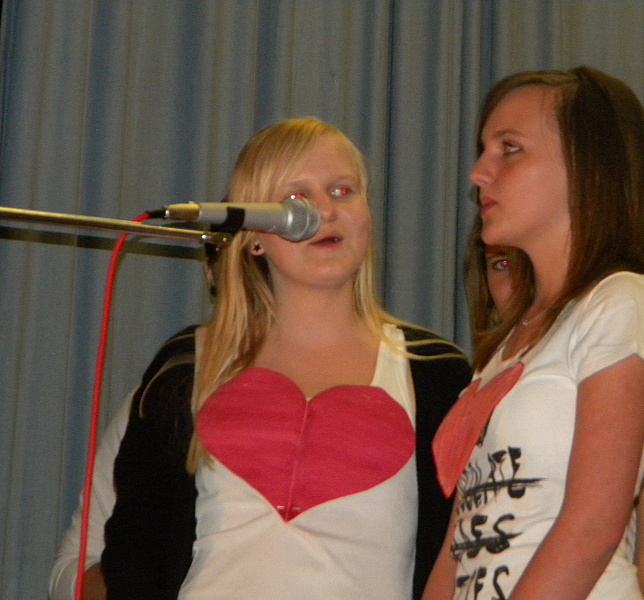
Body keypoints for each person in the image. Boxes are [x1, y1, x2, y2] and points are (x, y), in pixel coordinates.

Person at [53, 117, 472, 600]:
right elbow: (136, 554)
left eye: (343, 191)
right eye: (297, 198)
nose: (325, 210)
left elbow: (463, 554)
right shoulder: (187, 367)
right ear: (253, 234)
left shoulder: (438, 373)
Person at [424, 66, 644, 600]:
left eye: (510, 149)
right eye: (484, 150)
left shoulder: (622, 300)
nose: (479, 173)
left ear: (587, 170)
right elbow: (460, 541)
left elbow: (593, 527)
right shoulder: (505, 347)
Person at [464, 217, 644, 599]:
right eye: (500, 264)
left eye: (526, 265)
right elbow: (460, 543)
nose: (517, 283)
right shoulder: (479, 391)